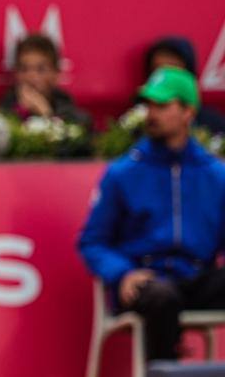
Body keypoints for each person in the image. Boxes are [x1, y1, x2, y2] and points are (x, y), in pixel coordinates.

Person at [78, 67, 225, 360]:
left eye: (162, 105)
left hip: (198, 279)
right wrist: (123, 273)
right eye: (148, 105)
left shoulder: (217, 175)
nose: (151, 113)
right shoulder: (123, 173)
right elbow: (92, 242)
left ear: (188, 112)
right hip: (146, 282)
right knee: (162, 297)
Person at [0, 33, 91, 128]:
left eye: (41, 69)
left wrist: (46, 114)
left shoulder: (77, 119)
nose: (31, 76)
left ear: (56, 74)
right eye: (23, 69)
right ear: (16, 73)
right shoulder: (0, 118)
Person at [140, 36, 225, 134]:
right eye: (158, 69)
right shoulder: (136, 124)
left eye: (174, 70)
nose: (166, 76)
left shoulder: (214, 126)